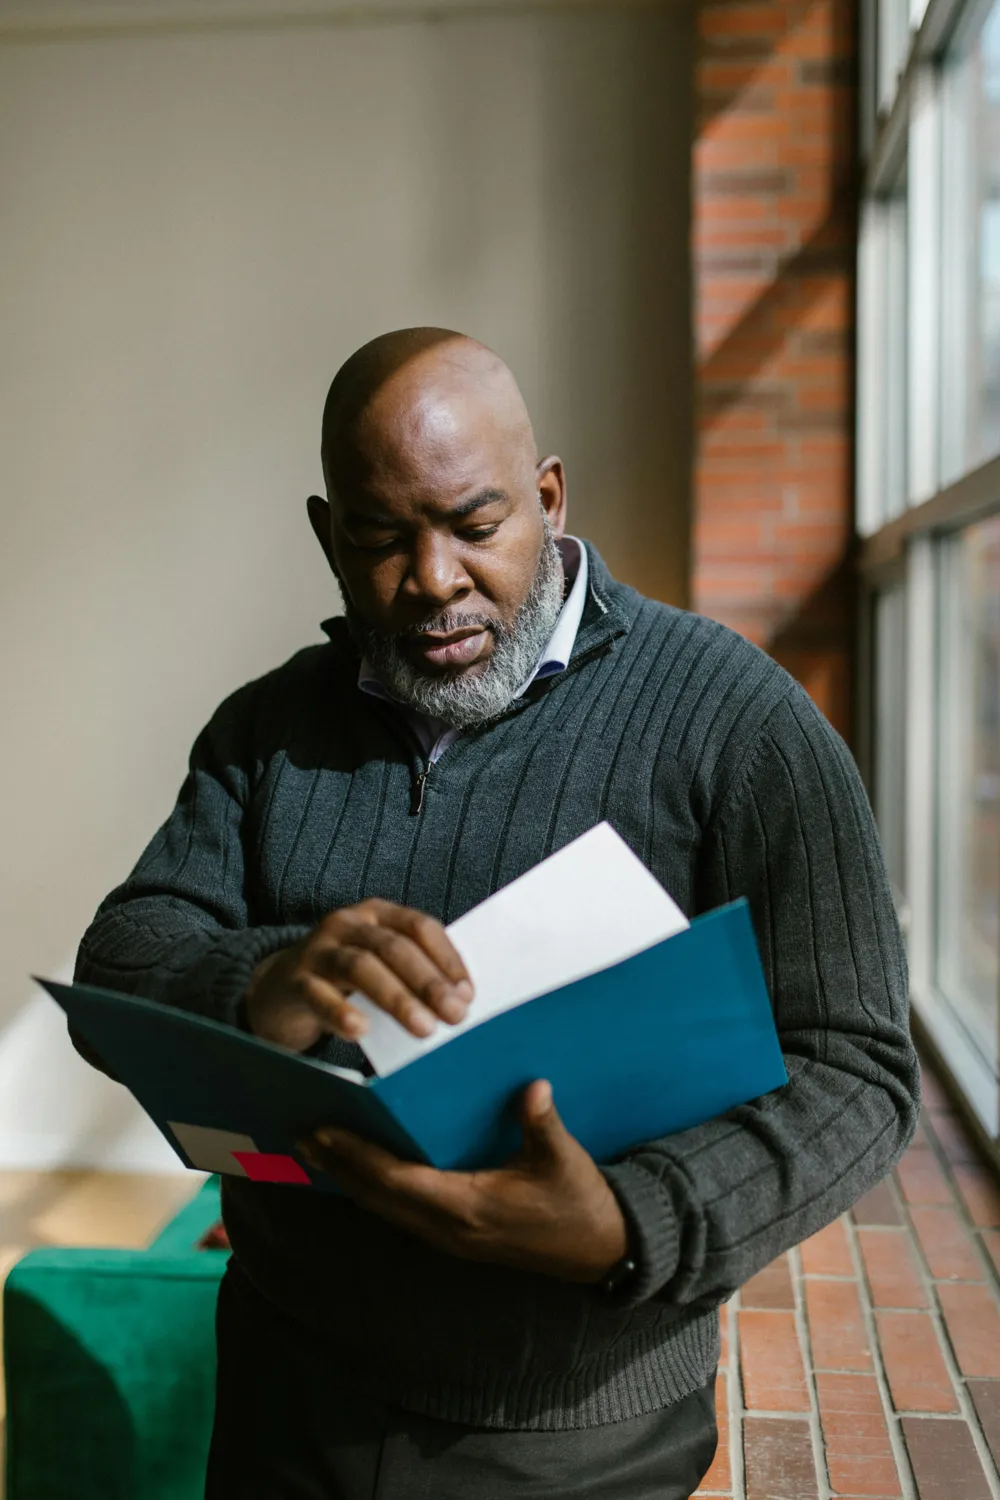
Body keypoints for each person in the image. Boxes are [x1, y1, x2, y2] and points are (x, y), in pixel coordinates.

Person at [71, 327, 920, 1500]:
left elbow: (858, 1068)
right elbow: (123, 955)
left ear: (550, 498)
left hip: (575, 1435)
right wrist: (263, 980)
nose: (430, 579)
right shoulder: (266, 730)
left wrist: (630, 1222)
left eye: (476, 526)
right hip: (286, 1386)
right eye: (378, 538)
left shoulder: (738, 722)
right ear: (327, 536)